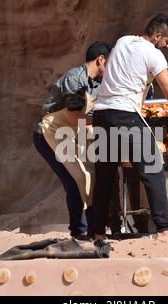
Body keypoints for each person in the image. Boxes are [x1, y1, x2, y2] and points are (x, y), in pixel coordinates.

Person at [91, 13, 168, 241]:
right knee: (153, 168)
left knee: (105, 177)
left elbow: (126, 78)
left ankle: (97, 232)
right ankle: (164, 229)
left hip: (102, 114)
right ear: (157, 36)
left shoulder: (123, 41)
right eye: (167, 41)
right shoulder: (154, 54)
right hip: (125, 116)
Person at [33, 42, 111, 240]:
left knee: (89, 178)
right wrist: (96, 131)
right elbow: (74, 115)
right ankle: (79, 231)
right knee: (76, 179)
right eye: (109, 64)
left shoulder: (97, 84)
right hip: (50, 132)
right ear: (101, 60)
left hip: (71, 134)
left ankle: (94, 229)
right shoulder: (74, 79)